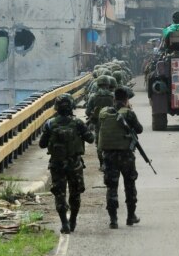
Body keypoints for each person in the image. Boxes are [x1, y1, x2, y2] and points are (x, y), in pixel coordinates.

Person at [39, 94, 94, 234]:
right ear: (71, 106)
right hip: (75, 165)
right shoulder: (78, 123)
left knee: (60, 194)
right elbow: (91, 139)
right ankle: (73, 221)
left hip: (57, 166)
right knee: (75, 194)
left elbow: (42, 144)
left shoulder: (50, 124)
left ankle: (64, 223)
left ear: (56, 108)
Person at [98, 87, 144, 229]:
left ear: (114, 99)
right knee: (129, 185)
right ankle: (131, 216)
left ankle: (113, 220)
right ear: (126, 100)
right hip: (126, 156)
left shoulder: (104, 114)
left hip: (109, 156)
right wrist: (129, 110)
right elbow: (139, 129)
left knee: (111, 187)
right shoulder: (128, 113)